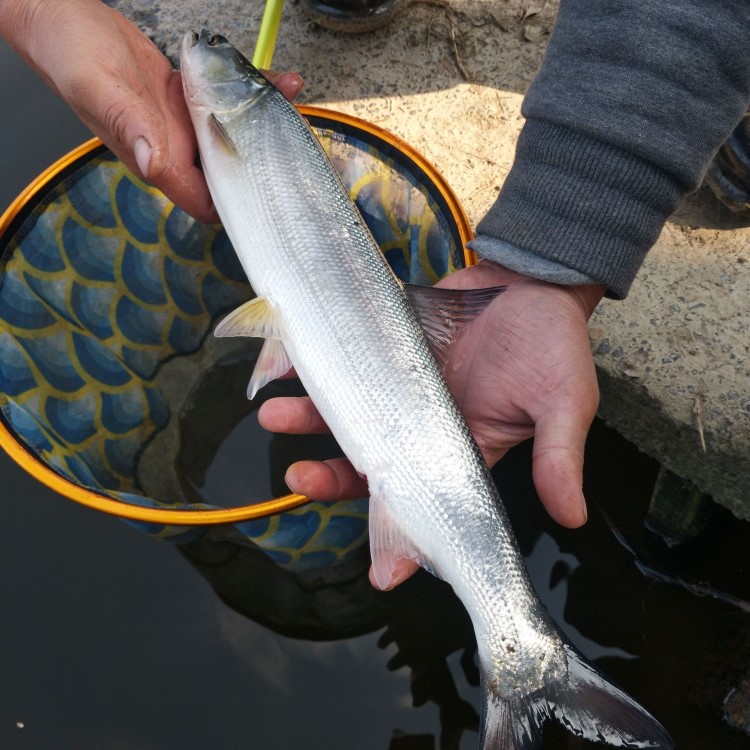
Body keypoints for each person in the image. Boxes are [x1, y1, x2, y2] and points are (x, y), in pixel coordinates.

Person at [2, 0, 749, 589]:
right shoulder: (232, 117)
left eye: (218, 54)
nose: (204, 47)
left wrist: (550, 263)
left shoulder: (238, 115)